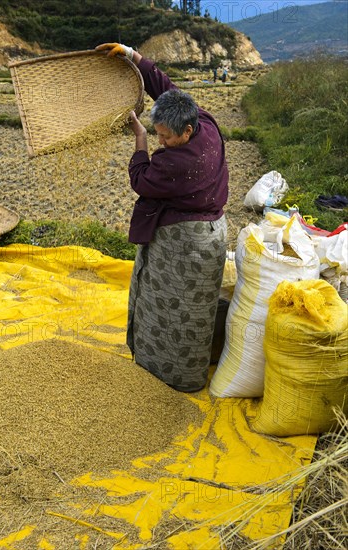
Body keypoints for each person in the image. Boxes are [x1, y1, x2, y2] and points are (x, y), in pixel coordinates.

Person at [96, 42, 229, 392]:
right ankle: (172, 370)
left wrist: (140, 139)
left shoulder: (177, 162)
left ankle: (172, 377)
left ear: (185, 132)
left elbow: (140, 180)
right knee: (188, 307)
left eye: (165, 137)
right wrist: (131, 53)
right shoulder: (202, 121)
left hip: (186, 243)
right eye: (156, 133)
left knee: (170, 308)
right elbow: (161, 83)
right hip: (213, 234)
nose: (161, 140)